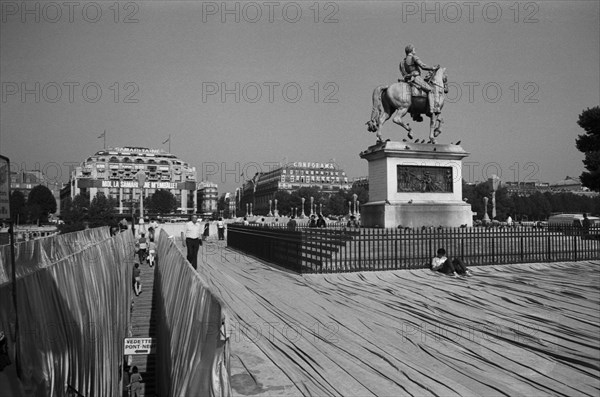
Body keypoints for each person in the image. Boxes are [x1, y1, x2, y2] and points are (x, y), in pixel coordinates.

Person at [400, 44, 438, 116]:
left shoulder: (402, 62)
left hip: (407, 80)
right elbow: (423, 66)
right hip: (416, 77)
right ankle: (432, 108)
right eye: (414, 49)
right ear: (411, 50)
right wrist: (432, 68)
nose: (415, 50)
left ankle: (415, 114)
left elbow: (403, 73)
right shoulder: (414, 57)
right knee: (431, 90)